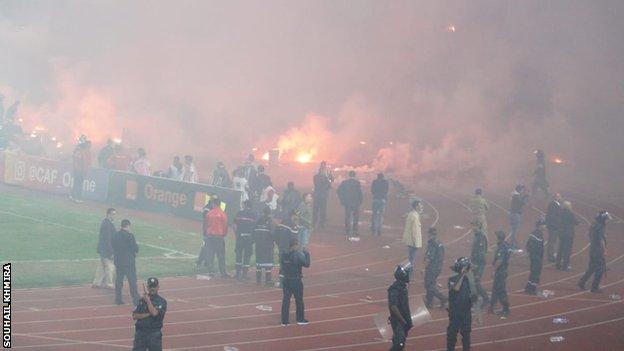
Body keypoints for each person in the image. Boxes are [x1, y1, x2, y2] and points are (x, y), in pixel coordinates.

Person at [447, 257, 477, 351]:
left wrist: (477, 314)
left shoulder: (470, 281)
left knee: (466, 336)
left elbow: (474, 297)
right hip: (455, 312)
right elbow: (456, 288)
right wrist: (463, 274)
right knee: (452, 335)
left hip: (466, 313)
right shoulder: (452, 279)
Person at [280, 238, 311, 326]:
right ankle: (300, 319)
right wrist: (307, 253)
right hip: (296, 281)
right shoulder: (298, 255)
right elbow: (307, 264)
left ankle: (284, 321)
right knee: (299, 300)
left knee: (286, 300)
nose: (298, 247)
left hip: (286, 280)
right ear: (294, 245)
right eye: (297, 245)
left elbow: (282, 267)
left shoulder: (284, 254)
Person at [578, 211, 611, 293]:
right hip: (598, 250)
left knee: (592, 267)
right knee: (600, 268)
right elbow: (601, 239)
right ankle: (594, 287)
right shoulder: (601, 226)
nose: (608, 221)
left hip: (592, 248)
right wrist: (604, 250)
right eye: (607, 219)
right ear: (603, 219)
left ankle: (582, 282)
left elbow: (590, 236)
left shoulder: (593, 224)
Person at [132, 277, 167, 351]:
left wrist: (148, 301)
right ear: (147, 287)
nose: (152, 288)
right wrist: (148, 314)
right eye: (150, 286)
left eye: (154, 286)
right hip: (140, 333)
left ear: (158, 287)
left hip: (154, 334)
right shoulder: (141, 300)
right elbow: (135, 316)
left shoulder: (161, 301)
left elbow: (154, 313)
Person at [111, 219, 140, 305]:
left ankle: (118, 299)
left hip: (119, 261)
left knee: (119, 280)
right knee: (132, 281)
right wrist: (136, 244)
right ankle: (136, 299)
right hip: (129, 262)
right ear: (127, 226)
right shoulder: (130, 236)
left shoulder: (115, 235)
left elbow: (113, 246)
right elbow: (136, 249)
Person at [388, 265, 413, 351]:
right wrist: (403, 321)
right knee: (399, 344)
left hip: (403, 320)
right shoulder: (395, 289)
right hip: (398, 320)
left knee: (400, 343)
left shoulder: (403, 288)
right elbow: (393, 306)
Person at [204, 198, 229, 278]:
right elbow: (225, 226)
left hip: (210, 236)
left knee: (210, 254)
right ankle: (223, 272)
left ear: (214, 204)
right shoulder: (223, 214)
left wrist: (206, 234)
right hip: (219, 237)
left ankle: (211, 272)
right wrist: (223, 235)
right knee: (221, 255)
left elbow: (205, 225)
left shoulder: (209, 213)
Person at [488, 231, 511, 318]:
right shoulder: (506, 245)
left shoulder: (502, 248)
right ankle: (491, 306)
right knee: (495, 289)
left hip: (500, 271)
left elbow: (500, 260)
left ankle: (506, 308)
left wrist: (494, 270)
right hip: (502, 271)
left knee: (501, 290)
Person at [93, 208, 116, 289]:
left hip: (103, 249)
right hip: (106, 249)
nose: (114, 216)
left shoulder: (106, 222)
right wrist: (111, 252)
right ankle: (109, 284)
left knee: (102, 266)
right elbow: (107, 239)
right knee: (109, 266)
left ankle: (97, 282)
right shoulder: (107, 224)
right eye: (113, 214)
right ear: (108, 214)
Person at [424, 227, 447, 309]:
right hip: (438, 266)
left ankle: (443, 298)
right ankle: (429, 302)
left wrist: (424, 268)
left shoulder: (432, 244)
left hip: (432, 268)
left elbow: (430, 258)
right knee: (431, 284)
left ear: (430, 234)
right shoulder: (439, 242)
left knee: (429, 285)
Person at [234, 200, 257, 281]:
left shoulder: (239, 213)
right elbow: (255, 227)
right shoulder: (254, 214)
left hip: (240, 237)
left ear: (246, 205)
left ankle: (237, 273)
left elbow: (235, 225)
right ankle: (244, 274)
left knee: (238, 254)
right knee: (247, 256)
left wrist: (236, 235)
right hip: (249, 238)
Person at [253, 206, 276, 286]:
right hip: (267, 245)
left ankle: (258, 280)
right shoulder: (271, 222)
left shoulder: (258, 220)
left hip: (258, 245)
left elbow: (254, 231)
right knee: (268, 264)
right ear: (270, 213)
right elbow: (273, 234)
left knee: (259, 263)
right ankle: (268, 281)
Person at [469, 219, 489, 308]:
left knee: (476, 282)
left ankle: (486, 299)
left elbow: (481, 252)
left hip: (479, 263)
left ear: (478, 226)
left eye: (474, 225)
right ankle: (475, 300)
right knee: (472, 282)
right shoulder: (477, 235)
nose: (472, 227)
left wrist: (475, 264)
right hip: (475, 262)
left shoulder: (480, 237)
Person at [337, 170, 363, 237]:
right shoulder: (357, 183)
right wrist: (360, 201)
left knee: (347, 217)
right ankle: (355, 231)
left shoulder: (344, 182)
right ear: (354, 175)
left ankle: (347, 231)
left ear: (349, 175)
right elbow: (360, 193)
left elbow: (338, 191)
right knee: (356, 217)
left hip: (347, 202)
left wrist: (342, 199)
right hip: (355, 203)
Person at [524, 218, 546, 295]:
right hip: (536, 257)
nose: (545, 226)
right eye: (544, 225)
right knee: (535, 273)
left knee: (534, 272)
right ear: (540, 226)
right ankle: (532, 289)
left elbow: (528, 245)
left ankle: (529, 287)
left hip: (535, 256)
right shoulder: (537, 234)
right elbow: (532, 246)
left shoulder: (536, 233)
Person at [403, 200, 423, 278]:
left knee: (410, 259)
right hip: (413, 242)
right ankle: (409, 276)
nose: (421, 206)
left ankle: (407, 274)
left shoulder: (412, 214)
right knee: (411, 260)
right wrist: (415, 242)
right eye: (420, 205)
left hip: (410, 240)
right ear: (416, 206)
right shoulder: (414, 216)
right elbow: (414, 230)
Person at [556, 201, 579, 271]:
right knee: (567, 250)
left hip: (561, 233)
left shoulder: (561, 212)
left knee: (560, 249)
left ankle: (558, 264)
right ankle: (565, 266)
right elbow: (576, 222)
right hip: (568, 233)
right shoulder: (571, 213)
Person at [312, 161, 334, 229]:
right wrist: (328, 176)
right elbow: (330, 182)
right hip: (322, 196)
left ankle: (314, 223)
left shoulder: (315, 177)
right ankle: (321, 224)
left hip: (317, 195)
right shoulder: (324, 178)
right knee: (322, 210)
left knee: (316, 210)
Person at [70, 136, 91, 202]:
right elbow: (83, 161)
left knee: (76, 183)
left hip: (77, 169)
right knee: (78, 184)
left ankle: (73, 196)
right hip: (79, 170)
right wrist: (84, 170)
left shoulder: (77, 149)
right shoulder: (81, 151)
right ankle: (77, 197)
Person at [509, 184, 529, 250]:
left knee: (513, 230)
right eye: (522, 189)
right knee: (514, 231)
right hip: (516, 215)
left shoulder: (515, 195)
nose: (523, 191)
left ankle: (513, 244)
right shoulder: (516, 196)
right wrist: (526, 196)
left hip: (513, 214)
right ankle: (513, 246)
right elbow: (522, 203)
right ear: (520, 190)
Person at [545, 193, 563, 262]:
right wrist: (556, 224)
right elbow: (552, 216)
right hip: (554, 226)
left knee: (552, 241)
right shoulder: (553, 205)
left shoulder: (554, 204)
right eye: (559, 196)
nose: (560, 197)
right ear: (556, 197)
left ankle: (550, 254)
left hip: (553, 226)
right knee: (552, 241)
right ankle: (550, 256)